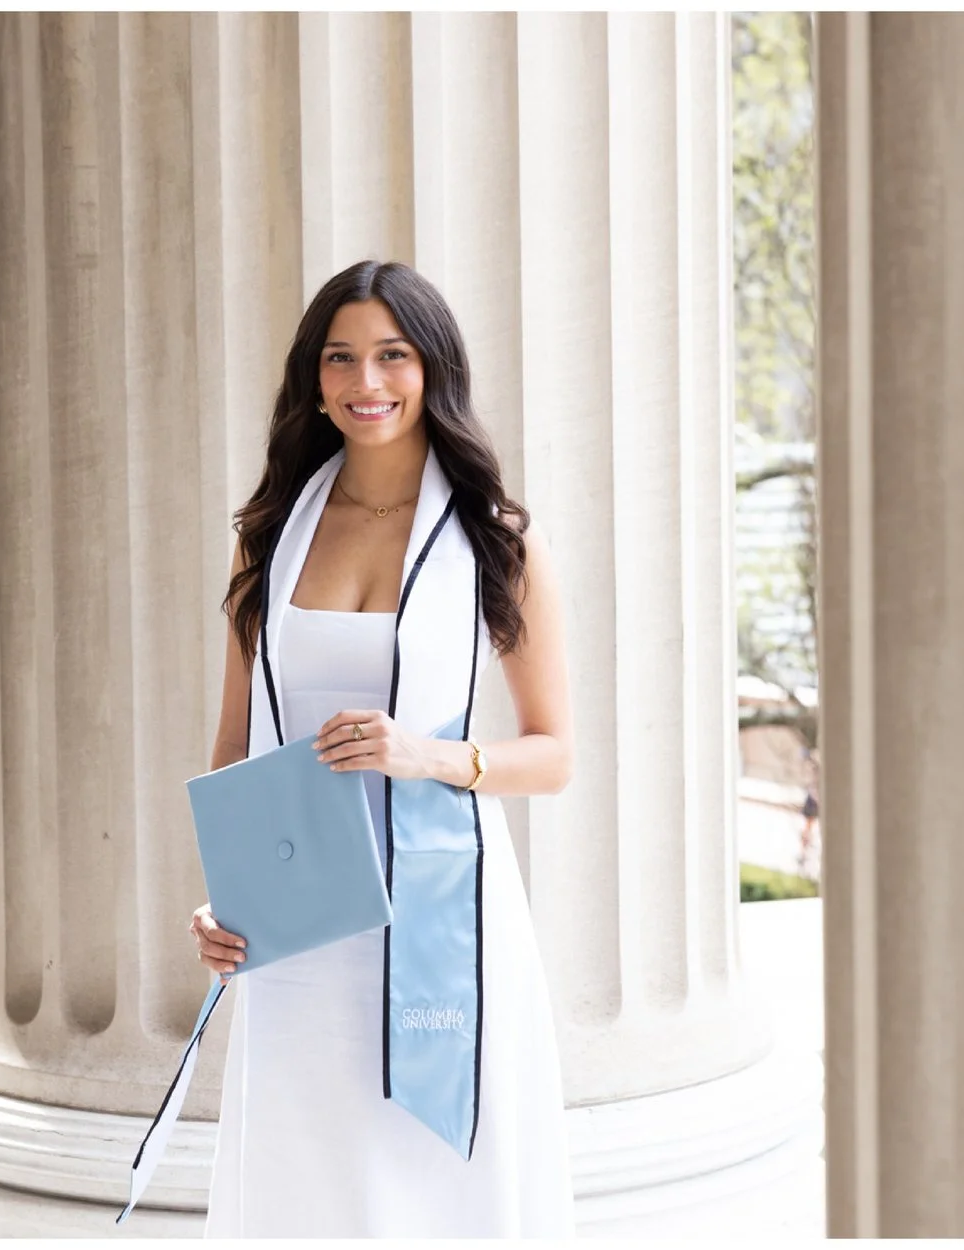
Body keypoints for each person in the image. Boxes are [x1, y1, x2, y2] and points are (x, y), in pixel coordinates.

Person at [188, 260, 576, 1236]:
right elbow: (235, 743)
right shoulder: (268, 533)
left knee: (431, 1183)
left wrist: (428, 754)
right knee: (302, 1177)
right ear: (313, 381)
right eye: (341, 358)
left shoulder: (495, 542)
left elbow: (553, 753)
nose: (367, 382)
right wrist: (222, 895)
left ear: (430, 368)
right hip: (302, 922)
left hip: (438, 912)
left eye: (391, 355)